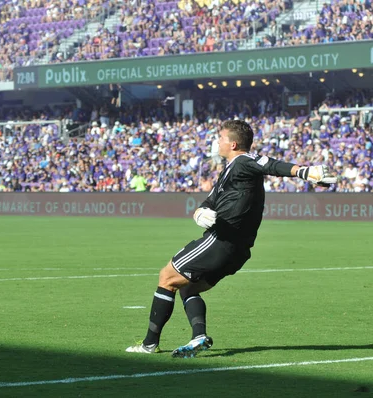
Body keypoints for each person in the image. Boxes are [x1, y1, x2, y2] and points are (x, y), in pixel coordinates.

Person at [126, 120, 337, 358]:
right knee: (188, 288)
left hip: (221, 240)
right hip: (238, 250)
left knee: (166, 276)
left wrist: (303, 171)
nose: (218, 141)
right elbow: (212, 199)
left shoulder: (243, 162)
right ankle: (198, 337)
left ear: (233, 143)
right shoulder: (229, 170)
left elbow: (268, 163)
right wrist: (200, 212)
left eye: (221, 138)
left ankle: (149, 344)